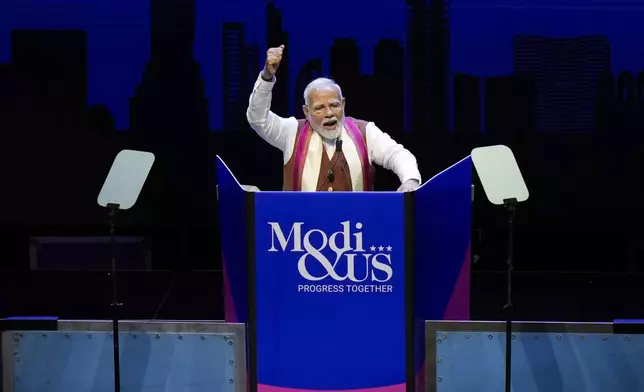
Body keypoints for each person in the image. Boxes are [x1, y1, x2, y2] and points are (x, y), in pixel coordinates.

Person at [246, 44, 421, 192]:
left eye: (334, 105)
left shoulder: (365, 132)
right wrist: (267, 77)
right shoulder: (291, 132)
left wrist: (410, 180)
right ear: (306, 112)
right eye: (320, 108)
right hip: (302, 228)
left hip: (355, 228)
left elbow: (397, 154)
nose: (329, 113)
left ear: (343, 104)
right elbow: (258, 119)